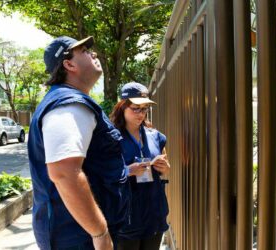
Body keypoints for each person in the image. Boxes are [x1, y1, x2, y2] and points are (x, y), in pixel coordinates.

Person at [27, 36, 134, 250]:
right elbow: (64, 173)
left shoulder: (69, 101)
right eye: (84, 51)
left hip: (78, 234)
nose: (93, 54)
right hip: (80, 237)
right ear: (68, 64)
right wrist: (100, 233)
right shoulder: (68, 105)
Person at [110, 82, 171, 250]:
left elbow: (166, 167)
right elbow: (102, 174)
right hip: (127, 217)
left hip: (154, 214)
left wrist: (164, 167)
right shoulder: (111, 139)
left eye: (144, 109)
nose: (141, 113)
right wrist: (127, 171)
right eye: (135, 108)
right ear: (122, 107)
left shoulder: (155, 136)